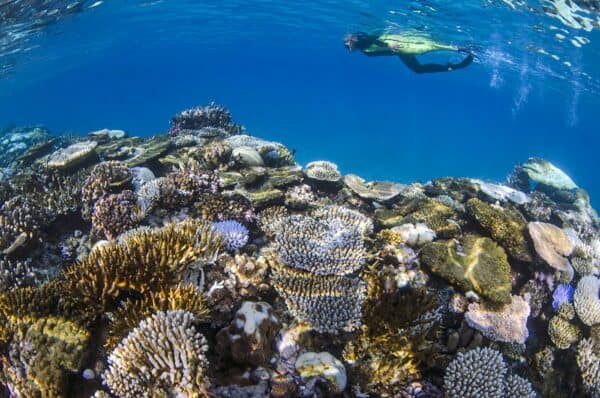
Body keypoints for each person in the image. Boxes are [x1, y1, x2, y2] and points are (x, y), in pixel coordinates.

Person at [344, 32, 475, 74]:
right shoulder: (364, 49)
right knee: (418, 69)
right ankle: (452, 66)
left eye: (348, 46)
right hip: (399, 52)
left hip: (400, 47)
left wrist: (388, 44)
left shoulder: (362, 43)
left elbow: (372, 39)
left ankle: (460, 50)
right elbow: (371, 39)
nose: (349, 49)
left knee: (427, 48)